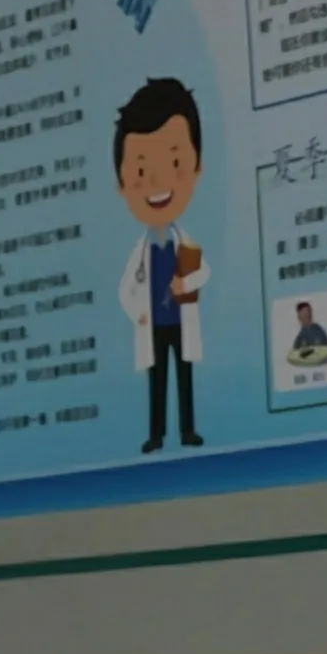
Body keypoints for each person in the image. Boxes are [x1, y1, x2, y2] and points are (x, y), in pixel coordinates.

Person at [112, 77, 207, 451]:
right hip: (154, 325)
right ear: (122, 185)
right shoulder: (141, 251)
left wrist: (187, 284)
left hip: (180, 321)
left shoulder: (186, 242)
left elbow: (202, 271)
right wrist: (137, 313)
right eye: (140, 170)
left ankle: (187, 431)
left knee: (184, 377)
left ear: (197, 167)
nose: (157, 180)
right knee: (158, 379)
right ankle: (156, 435)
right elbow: (125, 290)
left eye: (174, 162)